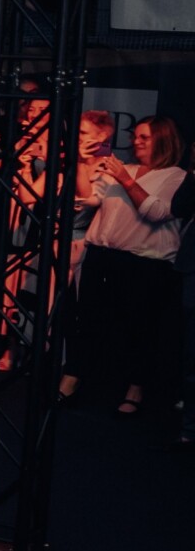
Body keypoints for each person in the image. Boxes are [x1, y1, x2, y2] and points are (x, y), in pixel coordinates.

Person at [68, 116, 185, 415]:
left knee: (138, 327)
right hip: (101, 256)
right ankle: (72, 379)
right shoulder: (126, 169)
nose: (136, 142)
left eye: (144, 138)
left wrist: (125, 180)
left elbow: (157, 212)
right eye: (135, 136)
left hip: (143, 263)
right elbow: (88, 200)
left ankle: (136, 387)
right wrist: (82, 164)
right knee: (88, 320)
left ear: (163, 140)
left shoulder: (176, 176)